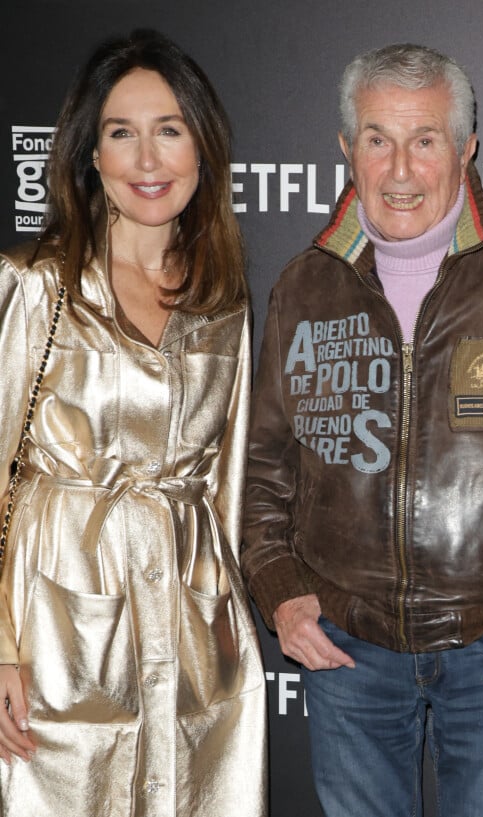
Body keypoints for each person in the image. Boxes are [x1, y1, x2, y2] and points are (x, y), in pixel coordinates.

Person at [242, 42, 483, 817]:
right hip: (346, 647)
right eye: (377, 139)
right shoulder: (305, 286)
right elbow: (263, 474)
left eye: (424, 140)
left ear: (465, 150)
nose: (399, 170)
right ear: (345, 148)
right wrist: (284, 592)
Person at [0, 29, 266, 817]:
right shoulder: (35, 285)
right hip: (60, 629)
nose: (148, 160)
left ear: (202, 150)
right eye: (122, 133)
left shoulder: (223, 298)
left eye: (169, 131)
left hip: (193, 634)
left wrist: (227, 628)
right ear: (91, 154)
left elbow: (228, 483)